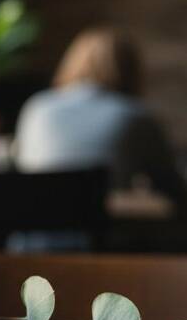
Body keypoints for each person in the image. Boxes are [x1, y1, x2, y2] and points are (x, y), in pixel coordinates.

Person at [15, 28, 187, 215]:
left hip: (31, 229)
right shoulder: (135, 116)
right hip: (99, 231)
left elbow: (23, 168)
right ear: (131, 69)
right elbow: (174, 188)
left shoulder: (36, 107)